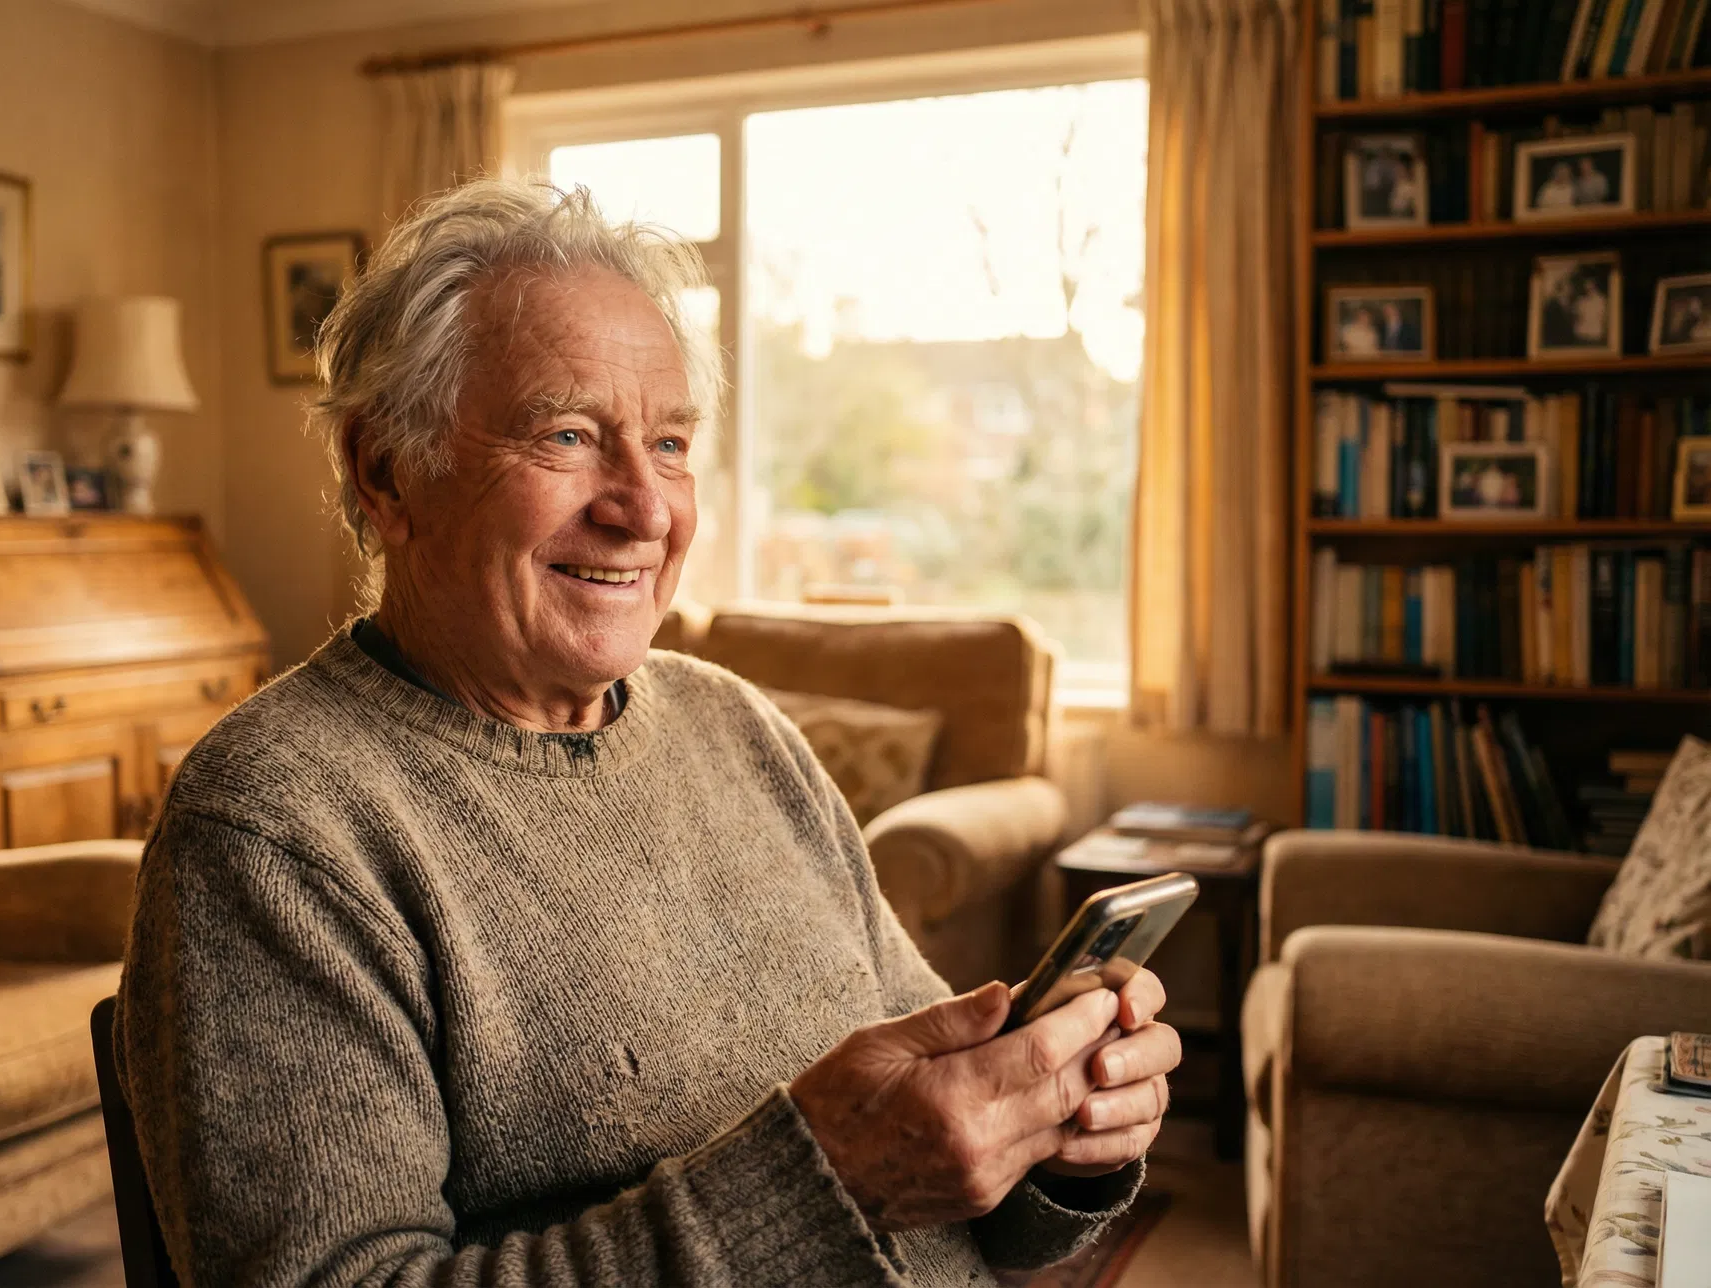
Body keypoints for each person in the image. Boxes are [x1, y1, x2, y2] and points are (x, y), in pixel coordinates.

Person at [115, 178, 1180, 1287]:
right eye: (569, 435)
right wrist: (831, 1183)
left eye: (670, 443)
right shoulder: (277, 829)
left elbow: (938, 1163)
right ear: (386, 471)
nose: (646, 507)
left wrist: (1055, 1129)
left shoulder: (740, 725)